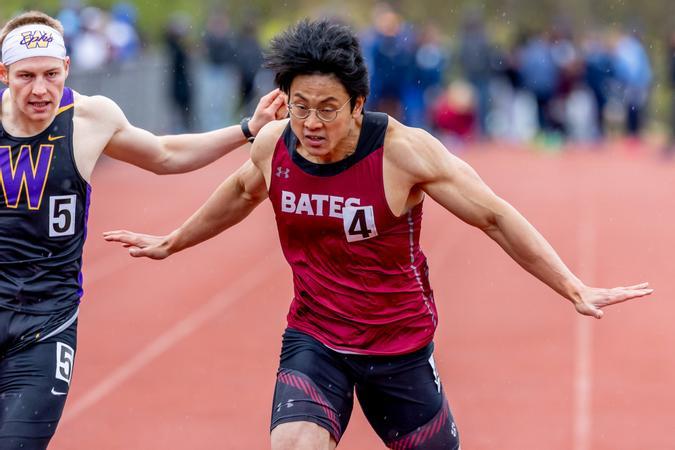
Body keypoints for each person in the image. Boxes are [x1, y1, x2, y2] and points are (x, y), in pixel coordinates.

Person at [104, 19, 653, 450]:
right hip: (316, 338)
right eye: (300, 107)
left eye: (328, 109)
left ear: (358, 104)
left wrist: (571, 285)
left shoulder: (404, 153)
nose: (311, 124)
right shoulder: (274, 144)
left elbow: (494, 216)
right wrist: (175, 240)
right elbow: (244, 191)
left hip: (399, 347)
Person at [0, 10, 286, 450]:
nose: (40, 90)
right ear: (4, 74)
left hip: (47, 325)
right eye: (26, 76)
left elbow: (165, 155)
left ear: (67, 68)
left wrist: (248, 129)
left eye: (51, 75)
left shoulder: (90, 118)